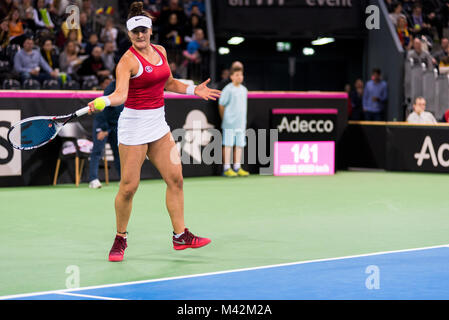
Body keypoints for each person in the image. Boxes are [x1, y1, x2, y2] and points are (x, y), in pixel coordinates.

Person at [87, 1, 220, 262]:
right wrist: (102, 102)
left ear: (150, 30)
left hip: (158, 125)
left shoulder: (160, 51)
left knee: (176, 179)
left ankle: (180, 235)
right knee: (128, 187)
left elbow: (168, 82)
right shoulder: (126, 61)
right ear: (129, 34)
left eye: (144, 30)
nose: (140, 35)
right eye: (135, 31)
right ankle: (120, 238)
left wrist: (194, 90)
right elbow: (120, 94)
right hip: (133, 126)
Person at [89, 80, 123, 189]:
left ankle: (123, 179)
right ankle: (93, 180)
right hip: (102, 122)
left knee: (118, 152)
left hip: (115, 125)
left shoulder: (126, 86)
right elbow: (103, 108)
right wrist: (103, 129)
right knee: (97, 151)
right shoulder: (111, 87)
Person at [218, 67, 250, 177]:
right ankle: (226, 168)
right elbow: (221, 104)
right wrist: (225, 118)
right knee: (228, 145)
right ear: (231, 77)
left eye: (241, 75)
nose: (239, 77)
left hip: (241, 123)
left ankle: (237, 167)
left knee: (240, 145)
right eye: (236, 75)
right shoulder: (228, 89)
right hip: (229, 123)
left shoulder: (244, 90)